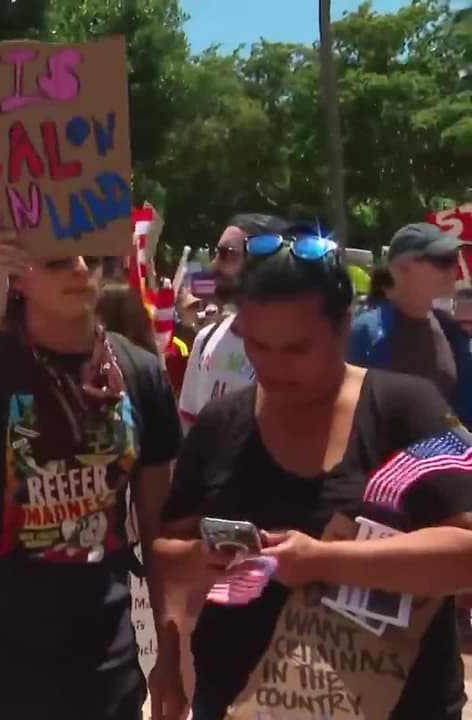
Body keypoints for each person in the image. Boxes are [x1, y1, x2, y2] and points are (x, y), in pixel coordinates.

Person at [154, 227, 472, 720]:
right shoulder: (221, 425)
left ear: (344, 327)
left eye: (298, 349)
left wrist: (325, 561)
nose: (275, 367)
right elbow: (165, 556)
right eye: (259, 346)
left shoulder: (409, 408)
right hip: (240, 702)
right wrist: (200, 563)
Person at [0, 239, 182, 720]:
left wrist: (170, 652)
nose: (80, 269)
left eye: (92, 256)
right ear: (20, 276)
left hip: (101, 677)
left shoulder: (140, 373)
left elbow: (161, 532)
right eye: (58, 259)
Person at [349, 222, 472, 426]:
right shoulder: (365, 335)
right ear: (401, 268)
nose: (453, 270)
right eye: (442, 261)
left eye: (454, 260)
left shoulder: (452, 332)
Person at [178, 214, 287, 430]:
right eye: (216, 253)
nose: (214, 265)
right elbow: (189, 427)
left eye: (227, 255)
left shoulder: (290, 351)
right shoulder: (205, 339)